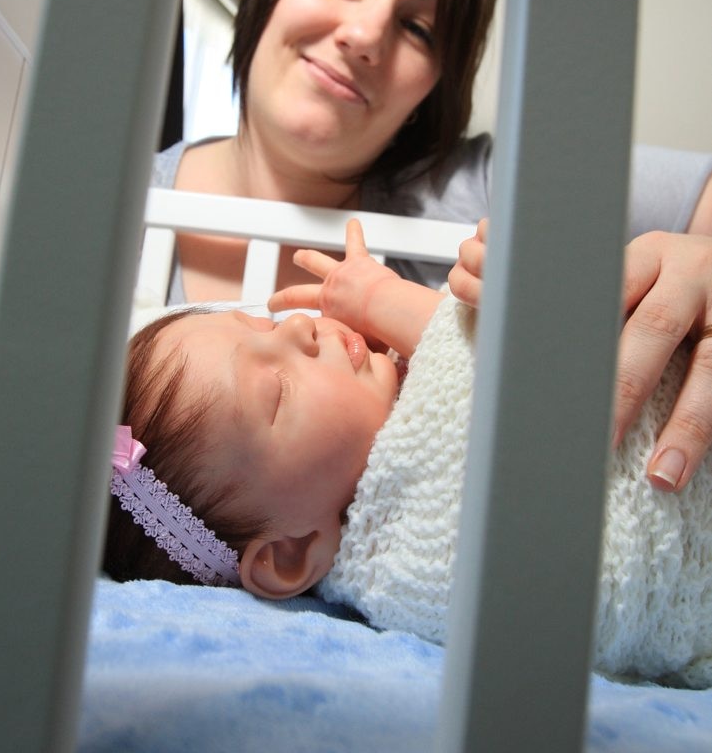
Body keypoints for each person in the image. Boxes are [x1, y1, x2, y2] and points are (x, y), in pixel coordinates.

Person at [34, 0, 712, 481]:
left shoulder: (478, 190)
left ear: (433, 86)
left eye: (418, 27)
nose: (364, 36)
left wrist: (698, 265)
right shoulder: (91, 200)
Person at [104, 219, 712, 686]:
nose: (295, 328)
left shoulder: (388, 388)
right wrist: (393, 304)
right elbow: (505, 409)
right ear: (290, 554)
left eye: (259, 326)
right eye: (277, 392)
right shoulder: (407, 566)